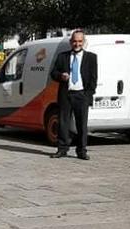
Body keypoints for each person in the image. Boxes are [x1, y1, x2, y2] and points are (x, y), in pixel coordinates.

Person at [50, 29, 98, 160]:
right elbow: (53, 73)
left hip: (81, 95)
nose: (77, 44)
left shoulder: (91, 58)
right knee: (63, 123)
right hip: (66, 94)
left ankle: (81, 151)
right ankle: (62, 149)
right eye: (75, 41)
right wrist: (61, 76)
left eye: (80, 41)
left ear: (84, 42)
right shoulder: (62, 56)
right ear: (71, 42)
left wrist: (88, 95)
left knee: (82, 125)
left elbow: (94, 79)